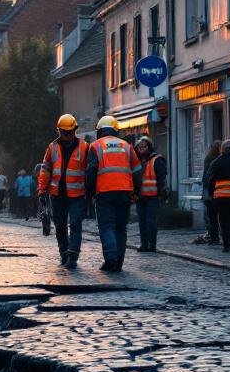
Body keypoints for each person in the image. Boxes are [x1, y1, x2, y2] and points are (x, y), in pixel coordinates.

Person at [86, 116, 141, 272]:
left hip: (104, 191)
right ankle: (119, 262)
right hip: (125, 192)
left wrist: (89, 192)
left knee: (106, 226)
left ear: (100, 131)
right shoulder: (127, 146)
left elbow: (91, 171)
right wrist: (136, 191)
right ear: (116, 131)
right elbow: (137, 171)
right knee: (120, 228)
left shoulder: (96, 146)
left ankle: (111, 258)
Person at [39, 114, 87, 268]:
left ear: (75, 130)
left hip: (77, 194)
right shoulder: (52, 147)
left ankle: (73, 255)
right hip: (57, 194)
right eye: (63, 132)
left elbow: (90, 169)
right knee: (59, 225)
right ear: (58, 131)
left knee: (75, 224)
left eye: (68, 132)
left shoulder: (85, 147)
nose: (65, 136)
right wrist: (42, 190)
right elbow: (45, 169)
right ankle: (63, 252)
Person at [134, 136, 166, 252]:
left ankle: (152, 245)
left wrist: (162, 194)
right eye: (139, 147)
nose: (141, 149)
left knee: (151, 221)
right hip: (140, 197)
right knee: (142, 222)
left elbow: (161, 179)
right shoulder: (137, 161)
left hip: (153, 197)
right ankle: (144, 244)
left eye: (144, 146)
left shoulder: (157, 160)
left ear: (149, 147)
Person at [200, 140, 224, 246]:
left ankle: (214, 237)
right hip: (220, 191)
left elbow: (205, 176)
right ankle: (222, 237)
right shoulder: (220, 160)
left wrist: (206, 189)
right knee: (222, 216)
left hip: (210, 192)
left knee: (212, 216)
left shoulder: (208, 159)